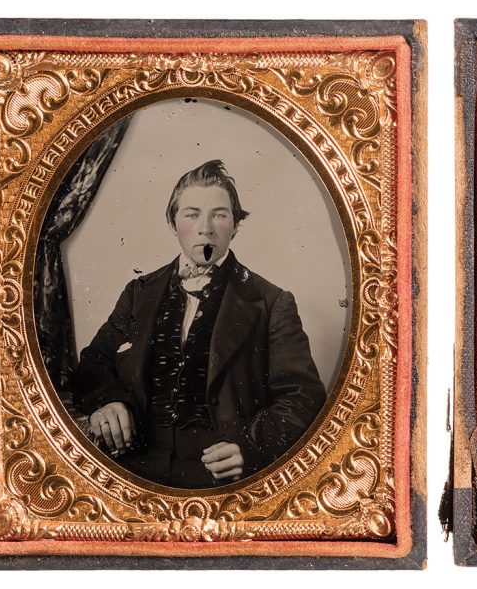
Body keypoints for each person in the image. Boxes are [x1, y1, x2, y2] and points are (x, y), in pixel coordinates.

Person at [72, 159, 326, 488]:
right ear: (172, 222)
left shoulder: (272, 302)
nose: (205, 228)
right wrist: (106, 400)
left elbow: (304, 398)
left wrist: (251, 448)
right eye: (191, 214)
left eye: (219, 215)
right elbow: (93, 362)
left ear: (235, 225)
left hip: (217, 480)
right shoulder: (139, 292)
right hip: (132, 469)